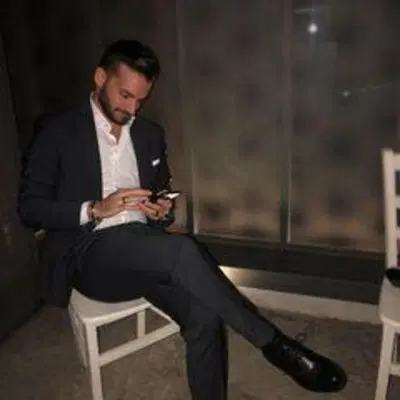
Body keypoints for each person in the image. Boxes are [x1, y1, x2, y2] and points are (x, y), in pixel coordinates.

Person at [17, 39, 347, 399]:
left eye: (140, 100)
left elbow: (160, 195)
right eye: (125, 95)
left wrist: (161, 210)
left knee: (205, 315)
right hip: (90, 255)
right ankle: (275, 346)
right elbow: (29, 209)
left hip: (146, 251)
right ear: (100, 77)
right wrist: (95, 208)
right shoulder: (58, 131)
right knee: (182, 250)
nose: (131, 109)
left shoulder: (149, 134)